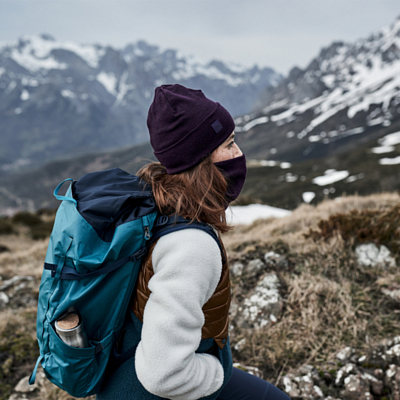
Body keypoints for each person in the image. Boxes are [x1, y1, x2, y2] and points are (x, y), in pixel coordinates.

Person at [97, 84, 290, 400]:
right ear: (200, 160)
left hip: (128, 374)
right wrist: (217, 372)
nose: (239, 153)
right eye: (229, 144)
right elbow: (164, 375)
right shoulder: (191, 246)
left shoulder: (157, 204)